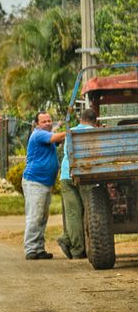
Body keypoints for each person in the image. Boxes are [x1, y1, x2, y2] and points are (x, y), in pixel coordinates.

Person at [22, 111, 67, 260]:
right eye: (44, 121)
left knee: (42, 217)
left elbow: (55, 137)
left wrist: (60, 126)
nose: (47, 123)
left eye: (49, 120)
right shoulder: (38, 134)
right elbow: (56, 137)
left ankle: (39, 248)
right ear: (37, 124)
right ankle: (30, 249)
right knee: (35, 216)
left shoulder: (46, 134)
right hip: (35, 181)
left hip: (44, 182)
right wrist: (71, 131)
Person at [57, 108, 98, 260]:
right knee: (89, 211)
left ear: (81, 120)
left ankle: (76, 249)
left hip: (66, 175)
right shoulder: (95, 132)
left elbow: (68, 153)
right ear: (95, 120)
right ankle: (81, 245)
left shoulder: (70, 132)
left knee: (73, 214)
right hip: (85, 175)